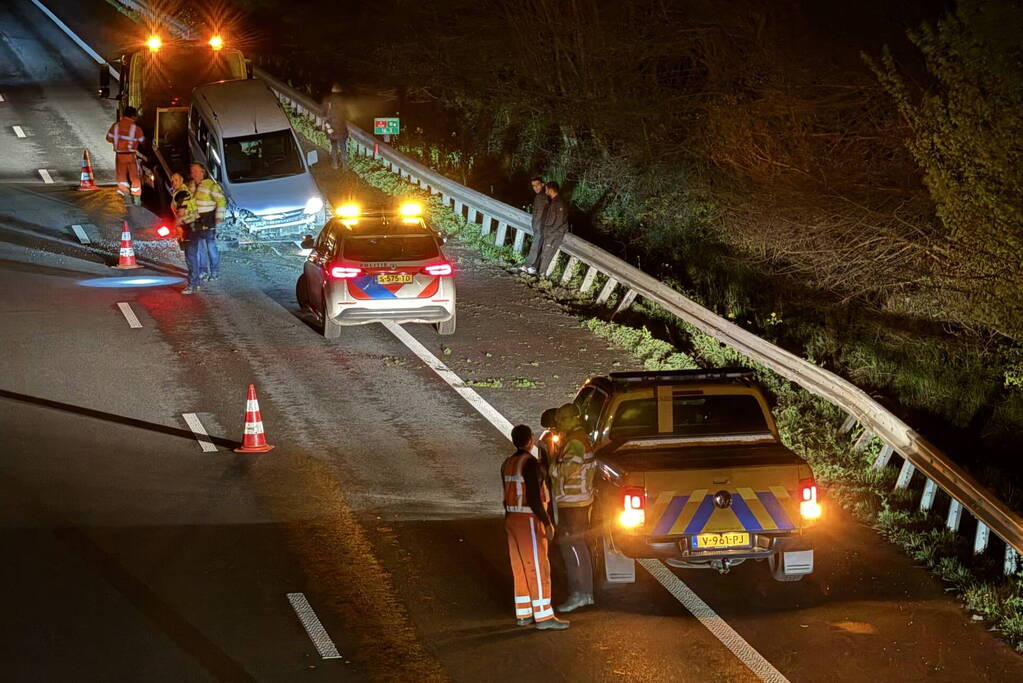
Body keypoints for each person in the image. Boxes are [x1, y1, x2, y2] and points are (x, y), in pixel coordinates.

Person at [502, 424, 569, 631]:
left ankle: (524, 613)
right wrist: (547, 522)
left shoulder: (508, 463)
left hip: (512, 519)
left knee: (520, 568)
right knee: (538, 568)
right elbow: (533, 497)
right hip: (528, 520)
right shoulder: (529, 463)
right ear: (530, 440)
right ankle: (543, 616)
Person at [551, 403, 596, 613]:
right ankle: (582, 593)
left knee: (573, 547)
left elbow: (566, 471)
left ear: (574, 419)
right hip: (577, 502)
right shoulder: (578, 439)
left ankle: (581, 594)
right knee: (578, 547)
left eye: (563, 419)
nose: (559, 423)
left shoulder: (575, 443)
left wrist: (550, 466)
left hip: (573, 503)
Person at [189, 163, 226, 281]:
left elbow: (221, 201)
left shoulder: (211, 185)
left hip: (209, 220)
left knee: (211, 246)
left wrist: (219, 217)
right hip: (195, 221)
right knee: (199, 247)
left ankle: (215, 271)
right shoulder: (191, 186)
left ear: (202, 172)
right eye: (192, 171)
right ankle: (203, 271)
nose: (194, 174)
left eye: (196, 171)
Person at [105, 106, 145, 206]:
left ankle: (126, 200)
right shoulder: (136, 128)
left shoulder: (116, 126)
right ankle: (137, 200)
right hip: (131, 156)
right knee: (135, 177)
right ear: (133, 116)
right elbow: (143, 142)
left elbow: (108, 139)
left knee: (121, 177)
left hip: (119, 156)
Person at [170, 173, 201, 294]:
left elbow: (181, 213)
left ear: (181, 180)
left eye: (176, 180)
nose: (174, 183)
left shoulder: (181, 193)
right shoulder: (185, 191)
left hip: (189, 228)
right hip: (194, 226)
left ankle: (192, 284)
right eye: (172, 181)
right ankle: (196, 283)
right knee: (193, 256)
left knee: (190, 257)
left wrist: (174, 227)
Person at [538, 181, 569, 276]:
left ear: (551, 189)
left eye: (546, 189)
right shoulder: (554, 201)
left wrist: (550, 232)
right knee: (544, 253)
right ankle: (540, 273)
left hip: (554, 234)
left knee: (547, 254)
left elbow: (559, 221)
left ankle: (541, 275)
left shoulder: (559, 203)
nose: (545, 191)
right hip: (550, 232)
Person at [520, 177, 548, 274]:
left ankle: (528, 265)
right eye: (533, 186)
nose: (535, 187)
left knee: (536, 246)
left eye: (537, 185)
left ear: (543, 184)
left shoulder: (543, 196)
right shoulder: (540, 196)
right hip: (539, 226)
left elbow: (542, 214)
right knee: (538, 246)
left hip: (541, 226)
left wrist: (538, 226)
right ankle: (533, 266)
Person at [322, 83, 349, 170]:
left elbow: (323, 113)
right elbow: (348, 113)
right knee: (343, 146)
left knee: (333, 146)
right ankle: (345, 166)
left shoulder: (328, 100)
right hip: (342, 128)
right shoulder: (344, 100)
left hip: (331, 128)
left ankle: (335, 164)